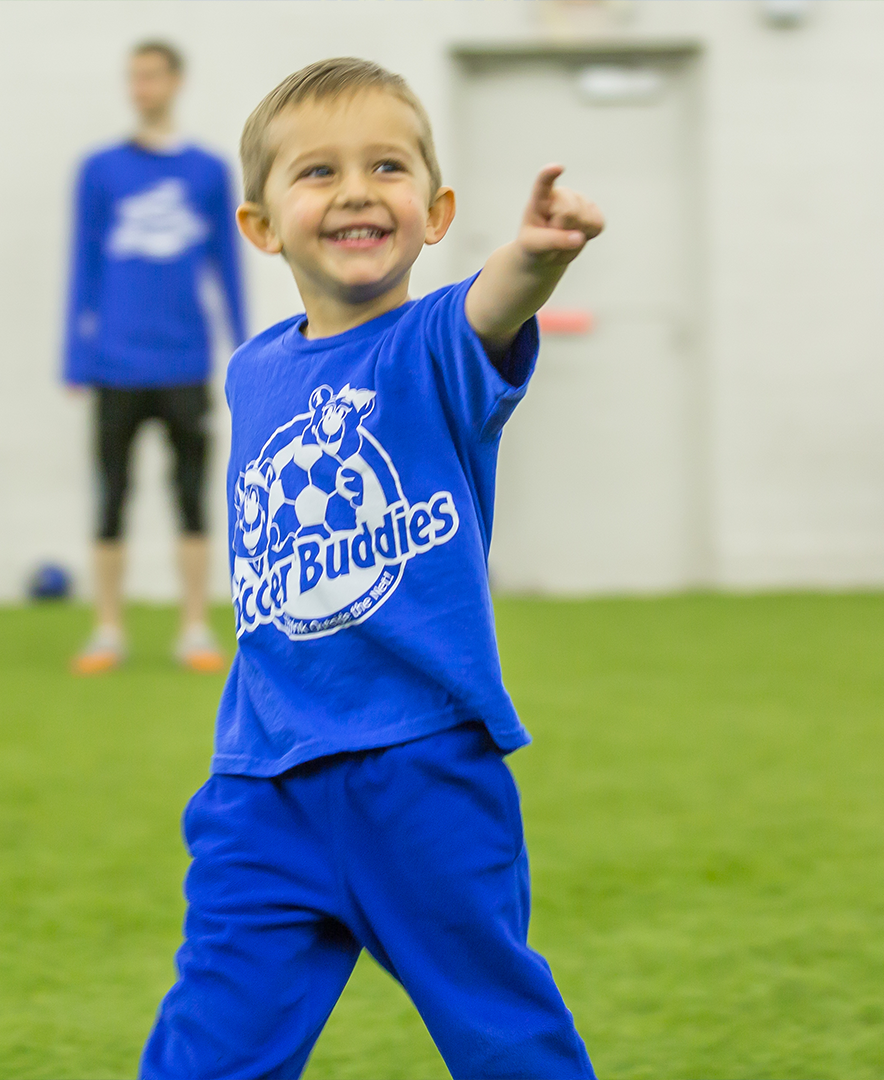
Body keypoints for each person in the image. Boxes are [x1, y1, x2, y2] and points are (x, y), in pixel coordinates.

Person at [140, 59, 603, 1078]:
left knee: (503, 1033)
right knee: (207, 1044)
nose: (355, 190)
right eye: (317, 173)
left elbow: (495, 302)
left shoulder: (434, 344)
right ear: (261, 225)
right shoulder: (255, 368)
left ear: (433, 211)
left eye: (386, 167)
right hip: (262, 786)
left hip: (423, 777)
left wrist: (537, 254)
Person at [65, 40, 247, 674]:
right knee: (110, 495)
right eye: (133, 77)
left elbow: (228, 263)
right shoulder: (100, 171)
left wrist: (243, 350)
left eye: (151, 75)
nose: (140, 86)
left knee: (192, 497)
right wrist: (74, 354)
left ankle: (194, 627)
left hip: (185, 363)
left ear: (174, 82)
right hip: (114, 364)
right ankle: (107, 629)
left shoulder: (207, 172)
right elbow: (81, 264)